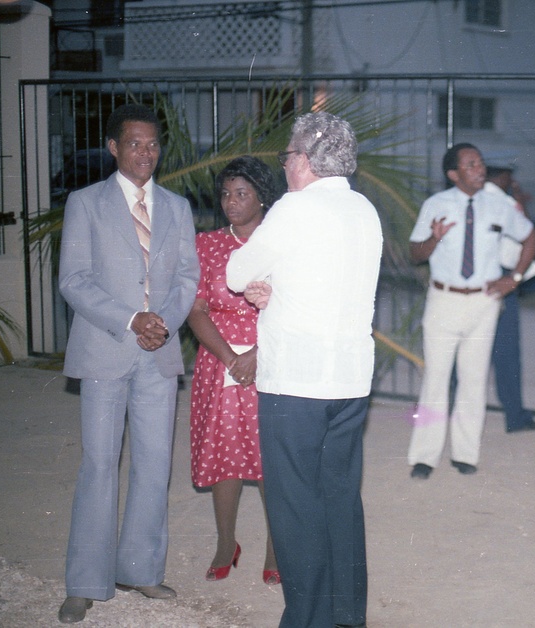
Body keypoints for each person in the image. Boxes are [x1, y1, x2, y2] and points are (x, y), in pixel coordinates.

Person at [225, 112, 382, 627]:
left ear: (308, 162)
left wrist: (262, 279)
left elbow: (236, 271)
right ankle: (345, 616)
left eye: (289, 155)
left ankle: (306, 620)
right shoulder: (364, 210)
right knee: (340, 499)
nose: (286, 164)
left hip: (295, 383)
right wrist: (273, 281)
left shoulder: (294, 208)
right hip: (350, 382)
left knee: (295, 508)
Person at [56, 104, 200, 623]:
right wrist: (132, 319)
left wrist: (162, 322)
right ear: (114, 148)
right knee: (98, 463)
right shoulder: (86, 203)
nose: (146, 153)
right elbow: (73, 280)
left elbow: (187, 278)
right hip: (106, 348)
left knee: (154, 463)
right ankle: (85, 581)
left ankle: (139, 569)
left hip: (157, 355)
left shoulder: (177, 208)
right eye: (135, 143)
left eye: (153, 143)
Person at [407, 143, 535, 479]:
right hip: (444, 300)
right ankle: (425, 456)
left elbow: (530, 237)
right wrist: (434, 239)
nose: (480, 169)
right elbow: (415, 253)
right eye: (471, 165)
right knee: (436, 379)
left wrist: (516, 278)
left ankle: (466, 453)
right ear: (454, 174)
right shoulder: (435, 205)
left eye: (480, 163)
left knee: (473, 379)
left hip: (483, 302)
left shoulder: (499, 204)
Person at [187, 156, 282, 585]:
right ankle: (227, 541)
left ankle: (277, 547)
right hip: (220, 359)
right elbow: (196, 309)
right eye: (225, 193)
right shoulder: (205, 244)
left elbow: (297, 308)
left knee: (270, 458)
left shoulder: (282, 242)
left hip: (275, 356)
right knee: (225, 454)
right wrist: (230, 358)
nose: (231, 202)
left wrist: (258, 354)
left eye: (241, 193)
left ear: (263, 197)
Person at [485, 160, 535, 433]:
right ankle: (515, 416)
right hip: (502, 277)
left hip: (475, 278)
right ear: (503, 177)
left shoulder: (474, 199)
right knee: (507, 352)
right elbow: (529, 236)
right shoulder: (506, 204)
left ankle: (449, 412)